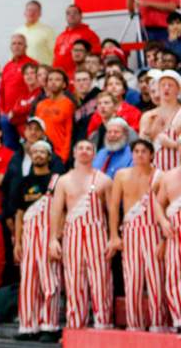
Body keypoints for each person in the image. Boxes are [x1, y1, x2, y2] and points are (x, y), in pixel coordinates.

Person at [49, 140, 113, 330]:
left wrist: (113, 238)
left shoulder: (104, 179)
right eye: (81, 148)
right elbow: (57, 211)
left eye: (89, 148)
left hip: (98, 232)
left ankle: (103, 323)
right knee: (74, 279)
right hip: (72, 234)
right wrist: (53, 238)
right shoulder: (64, 180)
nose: (84, 151)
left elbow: (111, 213)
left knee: (101, 279)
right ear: (74, 153)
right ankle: (76, 325)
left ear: (94, 154)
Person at [105, 140, 167, 331]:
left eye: (144, 151)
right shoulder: (121, 175)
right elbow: (114, 206)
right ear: (132, 154)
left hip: (153, 230)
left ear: (151, 155)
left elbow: (164, 206)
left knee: (156, 278)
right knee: (132, 279)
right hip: (130, 230)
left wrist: (164, 239)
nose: (139, 155)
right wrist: (114, 235)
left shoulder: (160, 176)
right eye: (136, 151)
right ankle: (134, 324)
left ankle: (159, 323)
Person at [12, 141, 61, 342]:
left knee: (49, 281)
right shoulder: (23, 182)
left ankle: (49, 326)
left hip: (49, 234)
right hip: (29, 236)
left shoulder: (57, 180)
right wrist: (17, 241)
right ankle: (28, 326)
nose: (39, 155)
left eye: (43, 152)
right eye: (35, 152)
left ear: (49, 157)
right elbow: (19, 213)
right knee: (28, 282)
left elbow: (62, 210)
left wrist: (56, 238)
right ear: (31, 156)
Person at [0, 34, 38, 149]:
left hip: (24, 115)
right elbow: (2, 90)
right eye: (14, 43)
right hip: (7, 116)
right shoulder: (7, 66)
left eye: (20, 43)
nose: (17, 46)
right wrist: (2, 111)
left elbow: (35, 88)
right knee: (9, 147)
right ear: (10, 47)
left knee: (28, 146)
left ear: (25, 47)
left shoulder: (33, 64)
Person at [154, 165, 181, 332]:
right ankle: (179, 319)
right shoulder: (168, 176)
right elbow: (158, 203)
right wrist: (163, 222)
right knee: (174, 276)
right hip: (174, 234)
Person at [139, 70, 181, 172]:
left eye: (170, 85)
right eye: (163, 85)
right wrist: (148, 135)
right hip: (156, 171)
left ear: (179, 90)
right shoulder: (148, 116)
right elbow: (141, 148)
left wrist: (173, 145)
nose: (166, 88)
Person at [34, 69, 75, 163]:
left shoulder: (68, 104)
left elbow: (69, 133)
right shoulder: (40, 105)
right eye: (50, 79)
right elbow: (35, 130)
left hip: (59, 155)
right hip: (41, 154)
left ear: (64, 84)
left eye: (57, 80)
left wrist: (64, 157)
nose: (53, 82)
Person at [53, 5, 102, 74]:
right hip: (60, 77)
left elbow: (96, 56)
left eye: (75, 13)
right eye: (68, 13)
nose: (72, 15)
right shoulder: (60, 36)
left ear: (81, 16)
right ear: (66, 17)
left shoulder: (90, 34)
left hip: (78, 76)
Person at [14, 0, 56, 65]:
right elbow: (13, 55)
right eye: (29, 10)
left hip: (41, 72)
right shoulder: (18, 31)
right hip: (21, 72)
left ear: (40, 14)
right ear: (24, 13)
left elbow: (55, 54)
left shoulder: (48, 31)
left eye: (35, 11)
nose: (31, 13)